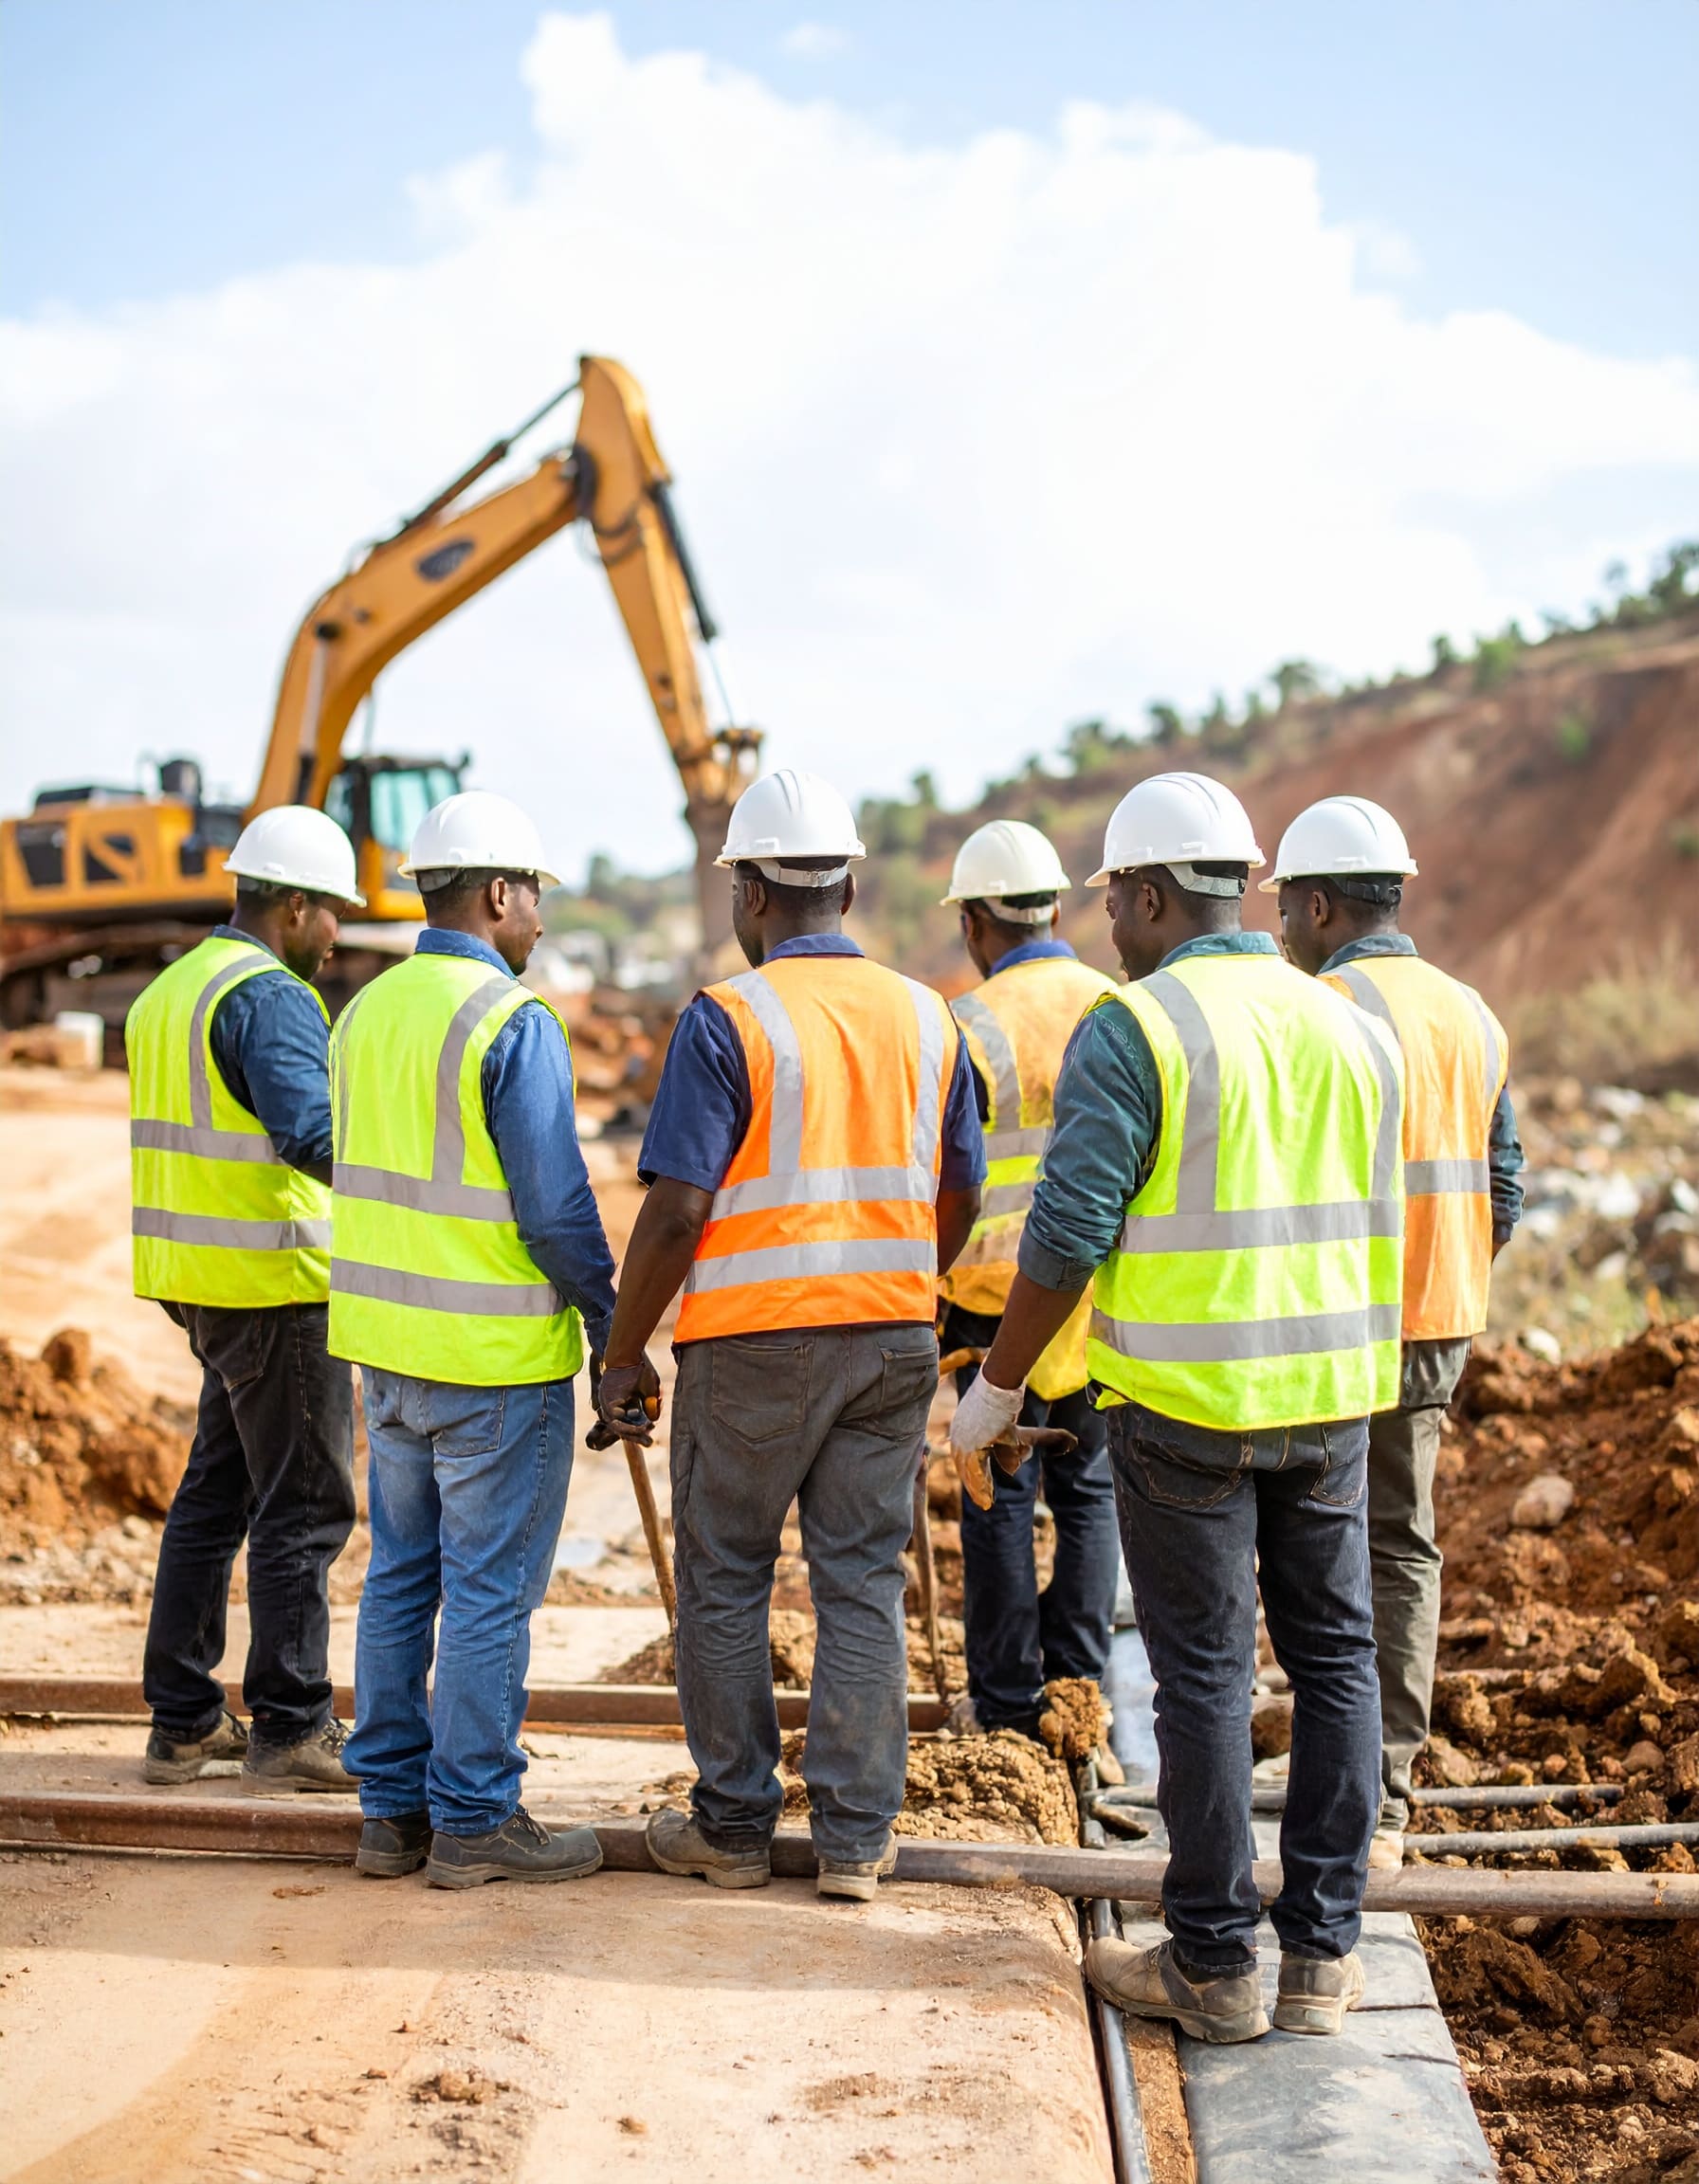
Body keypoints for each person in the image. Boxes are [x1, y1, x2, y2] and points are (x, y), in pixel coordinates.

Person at [948, 770, 1406, 2044]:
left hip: (1190, 1405)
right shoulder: (1351, 1022)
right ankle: (1321, 1957)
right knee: (1335, 1662)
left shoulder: (1140, 1028)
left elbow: (1069, 1229)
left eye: (1116, 904)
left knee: (1202, 1678)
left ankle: (1214, 1963)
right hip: (1333, 1402)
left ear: (1152, 893)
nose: (1109, 931)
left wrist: (993, 1390)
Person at [596, 769, 985, 1902]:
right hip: (890, 1337)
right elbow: (957, 1184)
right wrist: (909, 1277)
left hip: (754, 1344)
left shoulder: (730, 1018)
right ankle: (858, 1841)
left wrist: (624, 1351)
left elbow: (675, 1210)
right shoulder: (927, 1016)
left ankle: (732, 1828)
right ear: (851, 884)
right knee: (860, 1581)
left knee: (724, 1576)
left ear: (751, 893)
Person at [332, 790, 617, 1889]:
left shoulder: (362, 1014)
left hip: (386, 1358)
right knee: (490, 1589)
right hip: (493, 1364)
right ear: (497, 893)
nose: (539, 919)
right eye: (534, 894)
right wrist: (610, 1321)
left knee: (401, 1578)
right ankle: (474, 1818)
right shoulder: (510, 1021)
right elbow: (554, 1211)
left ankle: (391, 1814)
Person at [1266, 795, 1522, 1864]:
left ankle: (1345, 1778)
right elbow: (1500, 1185)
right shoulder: (1470, 1010)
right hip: (1438, 1317)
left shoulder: (1317, 1009)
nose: (1278, 924)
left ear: (1319, 905)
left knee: (1311, 1551)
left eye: (1285, 906)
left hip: (1336, 1323)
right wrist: (1450, 1272)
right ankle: (1390, 1784)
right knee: (1400, 1543)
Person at [129, 805, 362, 1794]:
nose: (338, 933)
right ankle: (292, 1725)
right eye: (332, 914)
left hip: (200, 1282)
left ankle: (183, 1721)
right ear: (295, 906)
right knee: (304, 1505)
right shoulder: (269, 997)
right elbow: (312, 1136)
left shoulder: (172, 988)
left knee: (219, 1496)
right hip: (277, 1282)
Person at [935, 819, 1121, 1742]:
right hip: (1097, 1299)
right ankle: (1080, 1681)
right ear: (1055, 905)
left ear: (974, 922)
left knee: (999, 1497)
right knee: (1089, 1494)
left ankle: (1008, 1703)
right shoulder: (1117, 1004)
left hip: (989, 1306)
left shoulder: (965, 1025)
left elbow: (945, 1176)